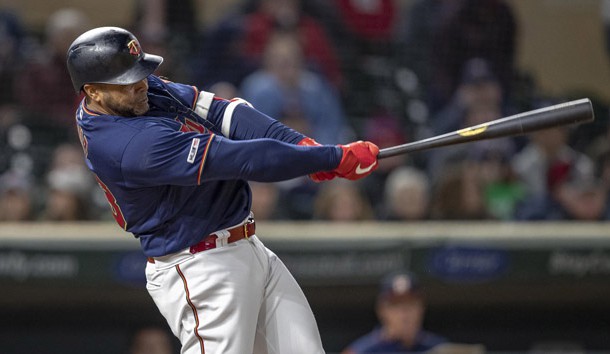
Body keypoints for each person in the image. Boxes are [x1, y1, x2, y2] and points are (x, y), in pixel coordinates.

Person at [66, 26, 379, 354]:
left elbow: (223, 112)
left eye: (140, 73)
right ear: (93, 92)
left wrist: (300, 146)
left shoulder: (128, 96)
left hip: (246, 246)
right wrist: (329, 157)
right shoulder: (128, 146)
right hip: (201, 268)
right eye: (128, 81)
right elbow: (241, 158)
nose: (142, 83)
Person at [342, 271, 447, 353]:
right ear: (382, 310)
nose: (404, 313)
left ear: (421, 308)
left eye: (410, 304)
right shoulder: (360, 351)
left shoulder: (440, 349)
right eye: (396, 305)